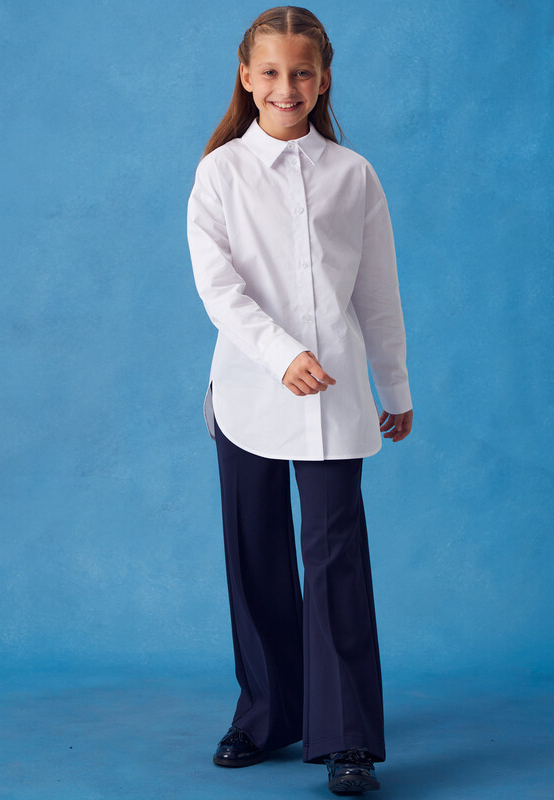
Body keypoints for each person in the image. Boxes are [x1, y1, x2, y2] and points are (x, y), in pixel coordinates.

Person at [186, 6, 413, 795]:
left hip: (337, 394)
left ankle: (347, 737)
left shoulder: (354, 175)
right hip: (247, 391)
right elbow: (219, 287)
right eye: (273, 72)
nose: (288, 87)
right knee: (255, 558)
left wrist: (395, 385)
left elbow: (378, 292)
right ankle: (267, 714)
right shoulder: (220, 174)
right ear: (247, 78)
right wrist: (282, 355)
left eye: (303, 72)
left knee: (336, 558)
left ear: (323, 80)